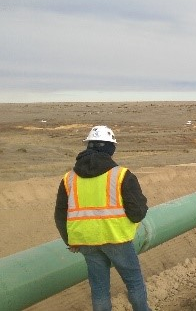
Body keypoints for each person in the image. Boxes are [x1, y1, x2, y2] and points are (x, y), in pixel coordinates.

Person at [54, 125, 151, 311]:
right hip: (116, 239)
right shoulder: (121, 175)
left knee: (99, 290)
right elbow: (137, 212)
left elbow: (60, 215)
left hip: (86, 241)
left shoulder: (69, 179)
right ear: (110, 148)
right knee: (134, 283)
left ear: (88, 146)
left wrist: (71, 240)